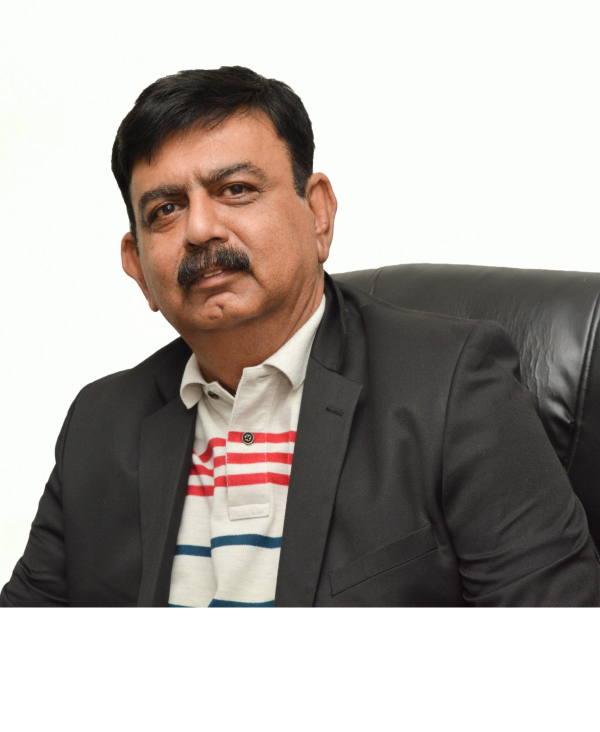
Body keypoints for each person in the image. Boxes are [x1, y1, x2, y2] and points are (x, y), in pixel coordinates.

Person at [2, 66, 599, 607]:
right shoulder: (99, 425)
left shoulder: (453, 388)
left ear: (318, 214)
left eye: (236, 189)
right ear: (138, 268)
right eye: (166, 210)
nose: (200, 229)